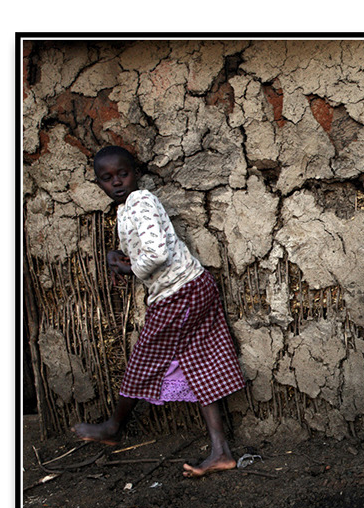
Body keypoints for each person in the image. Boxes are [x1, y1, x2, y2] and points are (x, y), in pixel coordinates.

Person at [71, 146, 246, 478]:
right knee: (199, 366)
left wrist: (130, 267)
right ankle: (221, 452)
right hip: (191, 287)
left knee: (145, 358)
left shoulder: (140, 202)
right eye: (107, 179)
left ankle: (113, 427)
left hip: (180, 292)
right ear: (99, 184)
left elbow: (155, 254)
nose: (117, 182)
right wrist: (118, 259)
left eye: (122, 174)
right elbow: (139, 252)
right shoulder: (126, 210)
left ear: (135, 173)